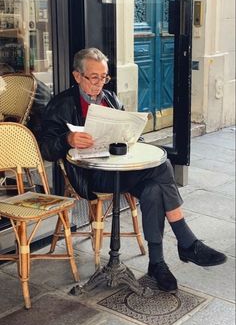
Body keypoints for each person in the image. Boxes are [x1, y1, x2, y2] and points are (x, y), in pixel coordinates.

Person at [40, 47, 227, 293]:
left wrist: (132, 129)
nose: (99, 83)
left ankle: (157, 263)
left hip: (120, 169)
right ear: (77, 76)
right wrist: (67, 139)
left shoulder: (110, 98)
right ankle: (185, 241)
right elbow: (44, 147)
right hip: (92, 175)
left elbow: (123, 139)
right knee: (163, 165)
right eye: (93, 77)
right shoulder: (62, 104)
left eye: (104, 76)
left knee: (153, 189)